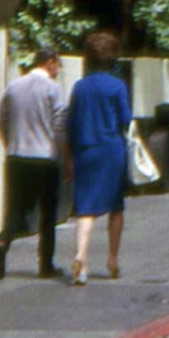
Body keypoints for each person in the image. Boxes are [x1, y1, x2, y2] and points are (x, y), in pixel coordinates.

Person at [0, 46, 69, 280]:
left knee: (15, 208)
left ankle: (3, 242)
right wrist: (66, 157)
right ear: (51, 62)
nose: (58, 70)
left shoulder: (13, 87)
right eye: (57, 65)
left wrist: (10, 144)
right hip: (44, 158)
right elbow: (60, 126)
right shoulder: (53, 90)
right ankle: (45, 264)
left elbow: (1, 120)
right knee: (48, 213)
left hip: (16, 157)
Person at [64, 30, 134, 284]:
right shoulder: (117, 86)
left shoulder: (79, 87)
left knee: (86, 208)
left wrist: (69, 158)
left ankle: (81, 257)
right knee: (116, 207)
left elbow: (69, 125)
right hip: (111, 151)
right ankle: (112, 260)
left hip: (85, 150)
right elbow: (126, 120)